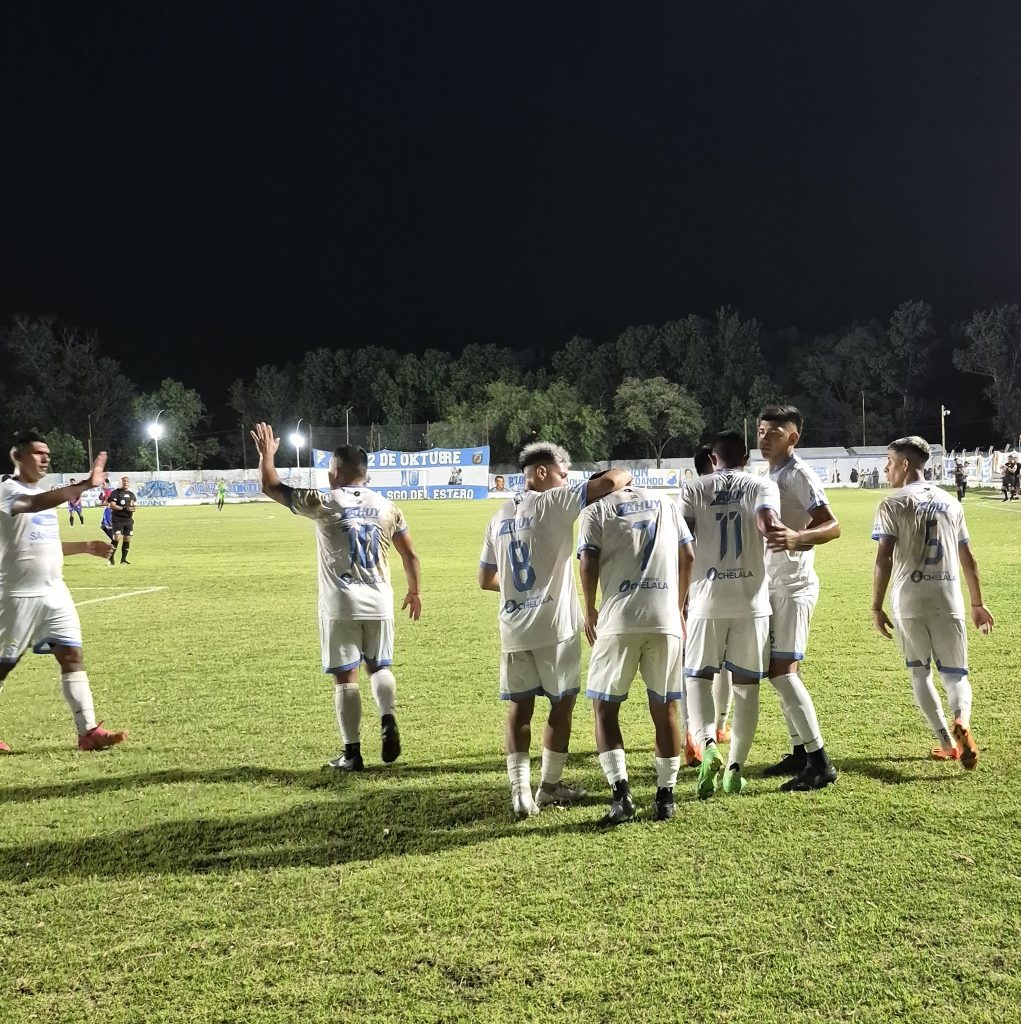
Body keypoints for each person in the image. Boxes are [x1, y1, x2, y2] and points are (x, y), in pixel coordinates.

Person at [251, 422, 422, 770]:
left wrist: (267, 454)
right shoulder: (388, 507)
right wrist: (415, 591)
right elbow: (410, 555)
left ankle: (352, 753)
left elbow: (271, 485)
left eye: (330, 470)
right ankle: (388, 717)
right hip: (380, 601)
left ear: (337, 472)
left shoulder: (324, 501)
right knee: (380, 666)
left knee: (346, 677)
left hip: (340, 604)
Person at [478, 442, 631, 820]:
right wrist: (625, 473)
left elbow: (485, 578)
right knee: (561, 706)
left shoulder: (498, 514)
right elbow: (611, 482)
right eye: (564, 474)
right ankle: (548, 786)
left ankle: (519, 792)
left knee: (519, 708)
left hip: (513, 626)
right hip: (555, 627)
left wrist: (518, 588)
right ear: (543, 473)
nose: (567, 481)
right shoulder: (553, 502)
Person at [0, 432, 126, 753]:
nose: (45, 459)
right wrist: (85, 484)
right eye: (38, 453)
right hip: (16, 595)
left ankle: (89, 732)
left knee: (71, 655)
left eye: (47, 455)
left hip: (55, 593)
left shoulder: (45, 495)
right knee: (4, 666)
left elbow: (43, 542)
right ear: (18, 456)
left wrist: (85, 546)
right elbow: (31, 505)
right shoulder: (7, 490)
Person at [871, 436, 992, 768]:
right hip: (948, 595)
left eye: (890, 461)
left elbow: (884, 559)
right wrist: (977, 603)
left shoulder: (891, 504)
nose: (886, 467)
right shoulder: (952, 503)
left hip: (909, 598)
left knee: (920, 674)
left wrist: (875, 606)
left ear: (906, 464)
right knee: (955, 675)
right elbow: (969, 559)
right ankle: (962, 721)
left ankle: (947, 742)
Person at [577, 482, 694, 825]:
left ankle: (621, 796)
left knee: (604, 709)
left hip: (619, 620)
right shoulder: (665, 502)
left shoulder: (595, 509)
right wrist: (679, 607)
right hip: (665, 620)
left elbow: (588, 560)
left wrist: (589, 608)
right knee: (666, 710)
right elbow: (688, 556)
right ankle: (666, 797)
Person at [679, 430, 782, 799]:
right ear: (745, 458)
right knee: (746, 688)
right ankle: (735, 769)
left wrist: (681, 597)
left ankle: (707, 745)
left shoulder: (694, 488)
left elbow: (683, 544)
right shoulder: (760, 485)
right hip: (751, 602)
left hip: (706, 599)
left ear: (713, 457)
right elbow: (768, 525)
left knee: (698, 679)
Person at [756, 406, 839, 791]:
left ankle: (820, 764)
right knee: (780, 671)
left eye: (774, 432)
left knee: (781, 672)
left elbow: (831, 525)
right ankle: (800, 753)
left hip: (793, 586)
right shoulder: (769, 474)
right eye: (760, 430)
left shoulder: (797, 472)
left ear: (793, 437)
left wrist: (797, 538)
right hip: (774, 584)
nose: (764, 437)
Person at [690, 444, 733, 752]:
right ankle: (719, 727)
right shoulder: (742, 493)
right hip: (735, 593)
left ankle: (692, 736)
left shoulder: (690, 493)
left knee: (693, 670)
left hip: (697, 592)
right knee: (726, 667)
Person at [106, 476, 137, 564]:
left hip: (128, 520)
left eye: (127, 481)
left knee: (127, 539)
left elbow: (134, 506)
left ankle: (123, 560)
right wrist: (125, 508)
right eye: (124, 481)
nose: (125, 483)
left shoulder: (131, 495)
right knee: (117, 538)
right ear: (121, 482)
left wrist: (133, 509)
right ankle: (110, 558)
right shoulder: (116, 493)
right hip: (117, 519)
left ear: (129, 483)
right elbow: (112, 505)